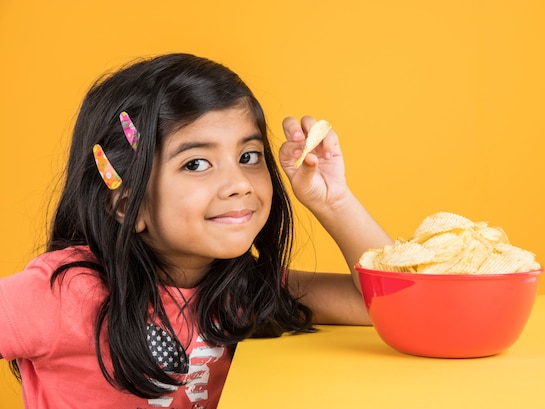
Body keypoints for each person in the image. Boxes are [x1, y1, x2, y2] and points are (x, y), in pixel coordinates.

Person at [0, 53, 392, 408]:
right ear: (126, 205)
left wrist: (333, 201)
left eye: (248, 156)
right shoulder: (61, 294)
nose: (239, 182)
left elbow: (390, 305)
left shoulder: (245, 290)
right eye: (196, 164)